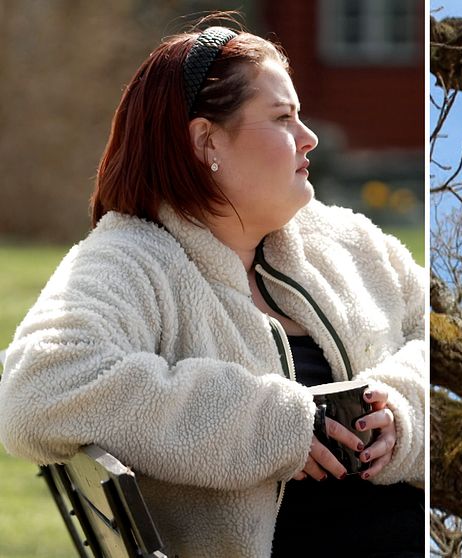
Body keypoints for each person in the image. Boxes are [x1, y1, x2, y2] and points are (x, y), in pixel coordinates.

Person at [0, 19, 425, 557]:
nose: (308, 137)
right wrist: (274, 424)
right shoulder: (130, 261)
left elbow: (440, 341)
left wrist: (403, 413)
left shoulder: (347, 243)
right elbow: (38, 388)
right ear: (206, 141)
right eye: (281, 117)